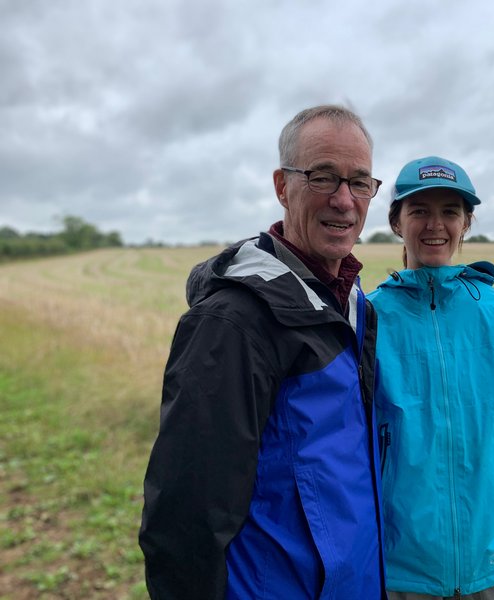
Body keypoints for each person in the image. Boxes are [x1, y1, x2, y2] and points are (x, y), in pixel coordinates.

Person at [139, 105, 386, 599]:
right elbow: (185, 517)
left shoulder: (356, 306)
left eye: (360, 182)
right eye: (323, 177)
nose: (344, 201)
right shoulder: (233, 323)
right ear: (282, 185)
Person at [368, 156, 494, 599]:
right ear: (397, 221)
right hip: (400, 568)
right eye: (419, 210)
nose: (435, 224)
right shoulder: (370, 316)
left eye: (450, 211)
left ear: (467, 222)